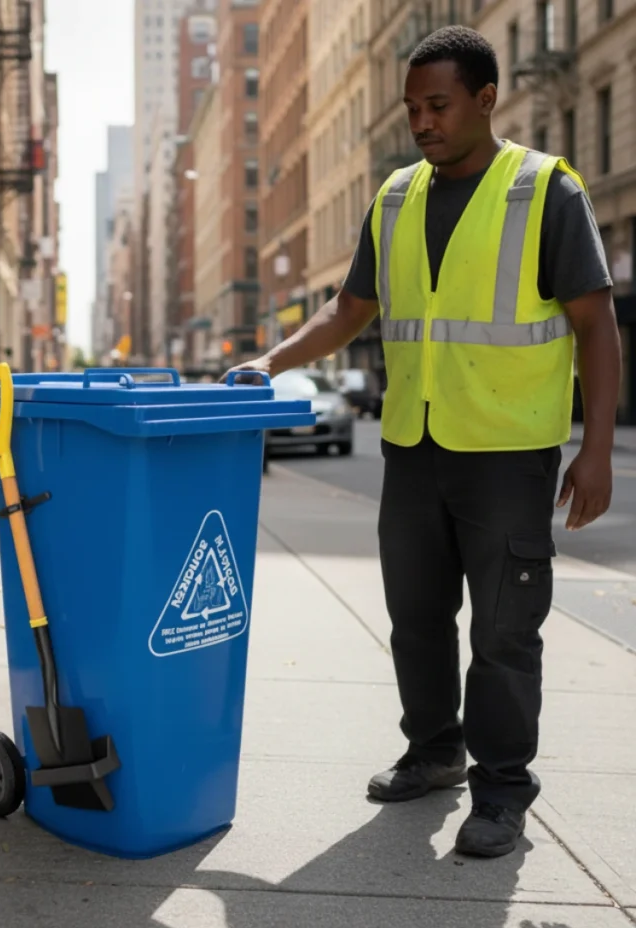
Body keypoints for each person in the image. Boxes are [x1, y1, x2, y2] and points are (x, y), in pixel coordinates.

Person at [229, 26, 621, 858]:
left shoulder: (544, 190)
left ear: (486, 100)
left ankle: (502, 790)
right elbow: (349, 308)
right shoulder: (397, 196)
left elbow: (596, 323)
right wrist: (270, 361)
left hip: (508, 454)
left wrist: (594, 450)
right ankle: (435, 750)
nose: (421, 122)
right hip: (414, 447)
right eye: (412, 108)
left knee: (504, 631)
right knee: (415, 619)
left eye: (437, 105)